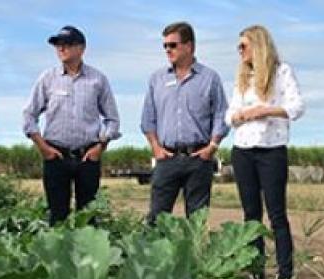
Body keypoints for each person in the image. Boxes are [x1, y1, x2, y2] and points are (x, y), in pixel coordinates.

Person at [225, 25, 305, 279]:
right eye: (239, 47)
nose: (240, 52)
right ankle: (256, 276)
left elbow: (296, 107)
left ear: (258, 46)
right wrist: (239, 117)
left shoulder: (282, 72)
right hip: (243, 149)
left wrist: (266, 110)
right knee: (250, 217)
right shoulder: (242, 77)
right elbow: (230, 114)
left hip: (271, 150)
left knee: (277, 216)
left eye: (243, 46)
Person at [23, 26, 121, 226]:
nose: (61, 48)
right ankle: (58, 257)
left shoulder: (97, 80)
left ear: (81, 48)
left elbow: (112, 119)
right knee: (57, 217)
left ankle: (89, 257)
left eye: (67, 44)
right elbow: (28, 115)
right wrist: (43, 147)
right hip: (56, 156)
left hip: (87, 157)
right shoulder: (47, 79)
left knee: (88, 218)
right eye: (58, 45)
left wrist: (100, 147)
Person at [141, 22, 229, 224]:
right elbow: (148, 118)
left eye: (172, 45)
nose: (167, 50)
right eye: (165, 46)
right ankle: (153, 255)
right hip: (167, 158)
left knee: (196, 222)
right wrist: (155, 147)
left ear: (189, 46)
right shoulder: (157, 79)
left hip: (199, 159)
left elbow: (221, 114)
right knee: (156, 219)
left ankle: (193, 256)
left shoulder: (210, 78)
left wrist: (212, 147)